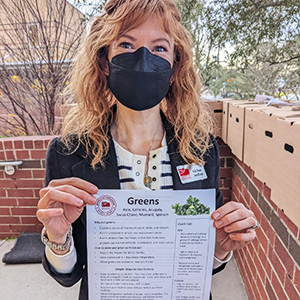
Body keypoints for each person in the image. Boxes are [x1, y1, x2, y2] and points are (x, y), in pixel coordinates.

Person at [36, 0, 257, 299]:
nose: (143, 59)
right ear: (104, 62)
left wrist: (220, 246)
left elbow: (205, 263)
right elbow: (68, 276)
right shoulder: (68, 153)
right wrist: (58, 236)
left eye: (159, 48)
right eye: (126, 45)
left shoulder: (200, 149)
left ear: (174, 67)